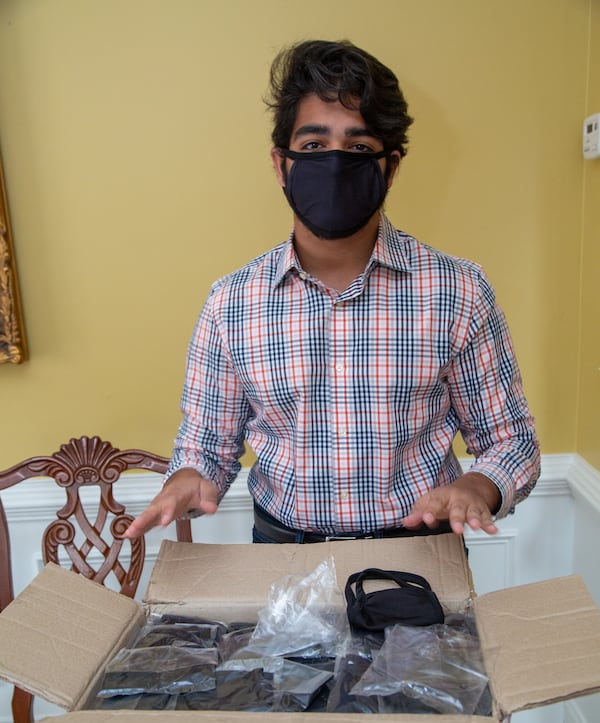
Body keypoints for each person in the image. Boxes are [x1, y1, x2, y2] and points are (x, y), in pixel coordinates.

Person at [125, 39, 540, 544]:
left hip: (420, 556)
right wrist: (189, 477)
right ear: (281, 164)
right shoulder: (231, 302)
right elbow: (206, 445)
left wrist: (479, 485)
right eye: (315, 146)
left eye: (360, 148)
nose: (336, 164)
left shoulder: (457, 290)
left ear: (391, 167)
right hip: (282, 557)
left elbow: (511, 440)